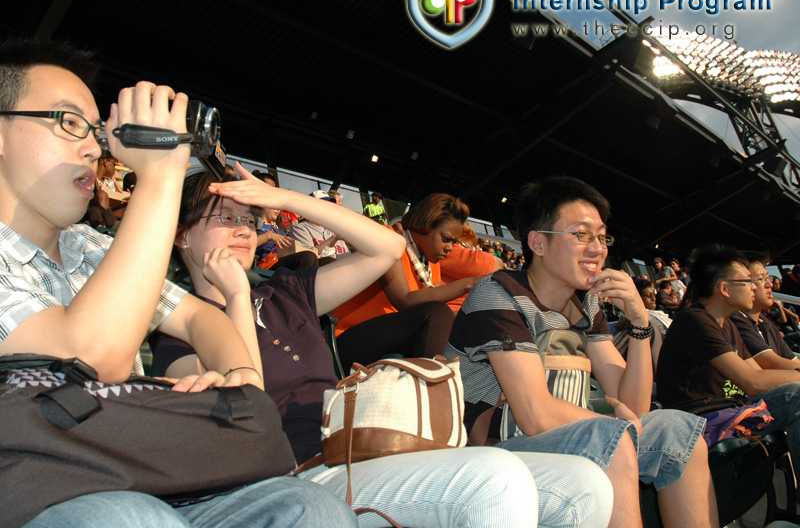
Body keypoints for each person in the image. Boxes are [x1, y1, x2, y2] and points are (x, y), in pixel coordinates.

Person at [0, 37, 358, 527]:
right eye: (68, 123)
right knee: (130, 518)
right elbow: (90, 356)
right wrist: (163, 176)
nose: (92, 148)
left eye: (94, 130)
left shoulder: (92, 247)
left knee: (309, 508)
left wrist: (240, 375)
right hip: (34, 487)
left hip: (114, 466)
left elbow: (200, 317)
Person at [149, 164, 615, 528]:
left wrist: (286, 198)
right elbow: (245, 406)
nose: (243, 229)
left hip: (362, 447)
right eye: (224, 218)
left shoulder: (284, 293)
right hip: (297, 472)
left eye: (249, 219)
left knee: (584, 483)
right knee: (496, 476)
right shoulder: (174, 329)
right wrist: (233, 295)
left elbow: (385, 249)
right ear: (180, 234)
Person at [447, 176, 718, 528]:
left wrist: (639, 324)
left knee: (679, 431)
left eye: (602, 236)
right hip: (493, 453)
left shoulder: (586, 304)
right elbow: (535, 414)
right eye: (581, 235)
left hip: (567, 440)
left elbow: (633, 404)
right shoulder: (498, 293)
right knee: (614, 436)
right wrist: (620, 427)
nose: (598, 248)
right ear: (538, 243)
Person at [656, 244, 800, 497]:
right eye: (747, 281)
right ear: (724, 288)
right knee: (795, 396)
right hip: (701, 420)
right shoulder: (695, 320)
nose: (755, 286)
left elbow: (760, 378)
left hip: (735, 411)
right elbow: (752, 382)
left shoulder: (727, 324)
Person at [333, 193, 486, 369]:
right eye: (446, 239)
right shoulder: (389, 240)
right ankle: (436, 388)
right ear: (427, 225)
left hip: (388, 339)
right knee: (437, 313)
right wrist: (470, 283)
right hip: (344, 339)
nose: (450, 248)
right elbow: (404, 300)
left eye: (454, 242)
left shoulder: (430, 264)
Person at [730, 252, 799, 368]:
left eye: (768, 277)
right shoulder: (736, 321)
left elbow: (792, 360)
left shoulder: (766, 322)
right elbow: (772, 364)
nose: (769, 284)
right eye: (761, 279)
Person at [613, 277, 671, 375]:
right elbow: (617, 327)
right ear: (637, 298)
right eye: (649, 296)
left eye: (654, 294)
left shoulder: (660, 315)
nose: (653, 299)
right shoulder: (636, 320)